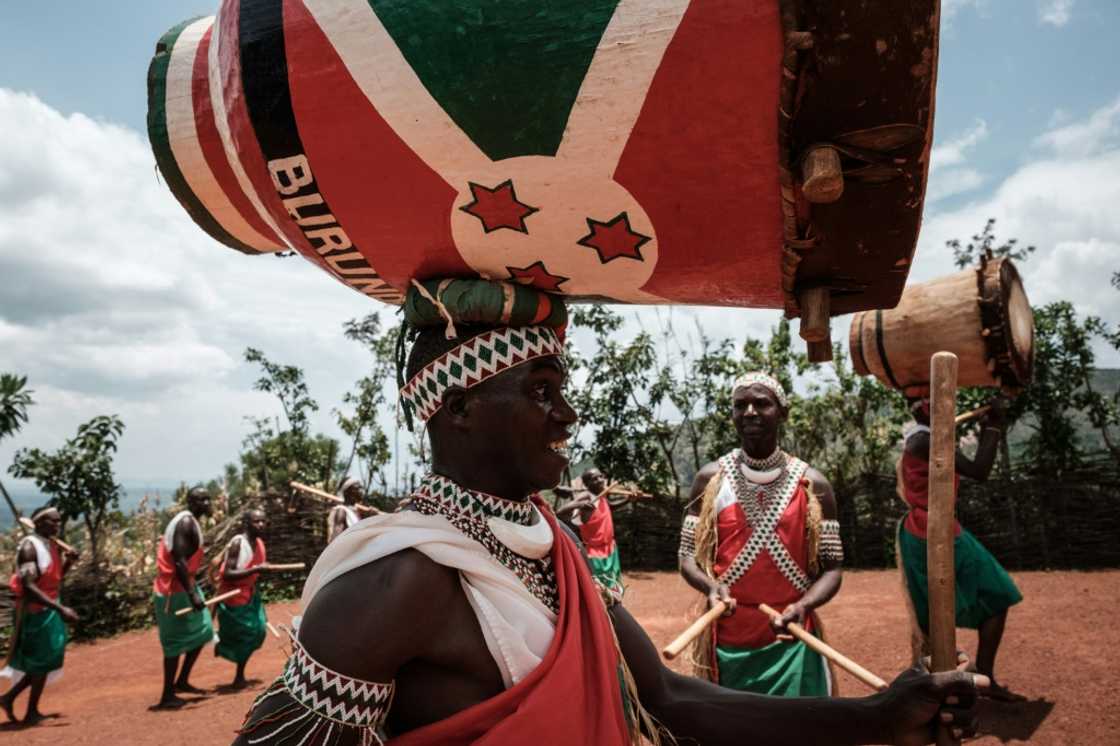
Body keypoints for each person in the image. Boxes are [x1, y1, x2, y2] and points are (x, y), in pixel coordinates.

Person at [234, 307, 984, 745]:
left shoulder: (549, 544)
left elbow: (668, 696)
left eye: (562, 390)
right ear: (458, 411)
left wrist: (879, 716)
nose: (567, 414)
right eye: (539, 391)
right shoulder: (398, 581)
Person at [678, 372, 844, 697]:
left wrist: (804, 605)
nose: (750, 412)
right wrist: (711, 587)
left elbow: (833, 569)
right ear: (732, 415)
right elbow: (687, 558)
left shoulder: (814, 485)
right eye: (741, 405)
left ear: (783, 412)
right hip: (728, 642)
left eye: (761, 403)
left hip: (792, 637)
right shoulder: (710, 480)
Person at [897, 397, 1024, 701]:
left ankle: (981, 678)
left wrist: (989, 427)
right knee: (937, 618)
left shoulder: (926, 438)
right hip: (928, 532)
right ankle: (934, 691)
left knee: (996, 594)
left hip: (936, 529)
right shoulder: (923, 440)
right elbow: (980, 470)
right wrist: (993, 425)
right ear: (925, 409)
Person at [0, 506, 79, 725]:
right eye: (53, 521)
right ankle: (30, 711)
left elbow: (54, 578)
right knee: (41, 661)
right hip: (36, 611)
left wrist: (69, 562)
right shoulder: (29, 548)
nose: (57, 525)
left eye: (58, 521)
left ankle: (9, 699)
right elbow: (29, 587)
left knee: (47, 659)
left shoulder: (50, 545)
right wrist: (60, 609)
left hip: (49, 607)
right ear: (40, 523)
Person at [152, 487, 213, 709]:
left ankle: (182, 681)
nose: (206, 503)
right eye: (201, 499)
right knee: (174, 643)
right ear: (191, 502)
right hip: (173, 591)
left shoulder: (191, 522)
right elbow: (179, 561)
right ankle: (166, 695)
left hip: (185, 586)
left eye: (208, 498)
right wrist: (192, 593)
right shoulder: (185, 523)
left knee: (204, 630)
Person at [215, 509, 278, 689]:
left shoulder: (258, 544)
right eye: (256, 521)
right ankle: (238, 675)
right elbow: (227, 573)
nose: (261, 525)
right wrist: (256, 569)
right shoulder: (237, 544)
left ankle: (238, 672)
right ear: (247, 523)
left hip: (250, 593)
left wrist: (259, 570)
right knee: (246, 633)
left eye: (263, 521)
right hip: (233, 595)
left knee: (258, 630)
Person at [555, 467, 628, 593]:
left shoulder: (601, 495)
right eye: (595, 479)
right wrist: (580, 505)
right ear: (587, 484)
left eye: (601, 476)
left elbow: (609, 507)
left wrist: (628, 500)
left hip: (610, 548)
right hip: (595, 553)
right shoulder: (586, 496)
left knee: (614, 588)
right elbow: (560, 512)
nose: (600, 480)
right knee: (600, 591)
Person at [327, 477, 377, 543]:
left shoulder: (355, 512)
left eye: (361, 488)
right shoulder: (341, 511)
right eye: (357, 488)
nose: (361, 491)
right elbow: (335, 540)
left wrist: (372, 517)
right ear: (347, 492)